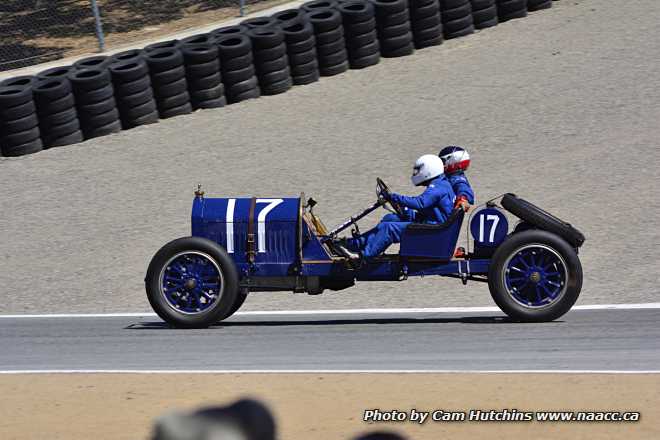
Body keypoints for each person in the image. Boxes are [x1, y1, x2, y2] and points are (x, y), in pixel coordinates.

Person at [336, 154, 455, 262]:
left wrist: (395, 197)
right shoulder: (441, 184)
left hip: (433, 231)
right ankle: (354, 244)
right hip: (434, 227)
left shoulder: (438, 187)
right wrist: (404, 209)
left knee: (389, 229)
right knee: (390, 218)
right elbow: (428, 208)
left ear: (429, 170)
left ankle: (362, 257)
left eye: (418, 170)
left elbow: (420, 203)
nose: (416, 173)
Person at [438, 145, 474, 212]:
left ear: (453, 162)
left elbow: (463, 188)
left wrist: (463, 198)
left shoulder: (457, 179)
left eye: (442, 161)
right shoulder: (448, 176)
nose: (440, 164)